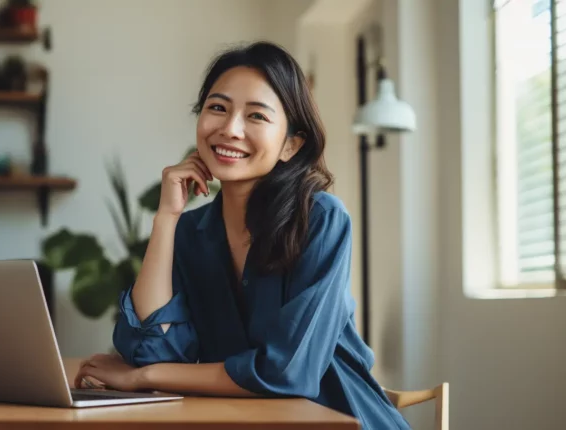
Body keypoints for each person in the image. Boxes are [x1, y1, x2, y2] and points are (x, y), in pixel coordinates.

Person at [74, 41, 411, 429]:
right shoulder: (190, 232)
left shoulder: (321, 220)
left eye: (256, 116)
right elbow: (153, 351)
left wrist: (142, 379)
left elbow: (287, 372)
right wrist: (166, 218)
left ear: (290, 145)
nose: (230, 129)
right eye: (217, 108)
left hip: (341, 418)